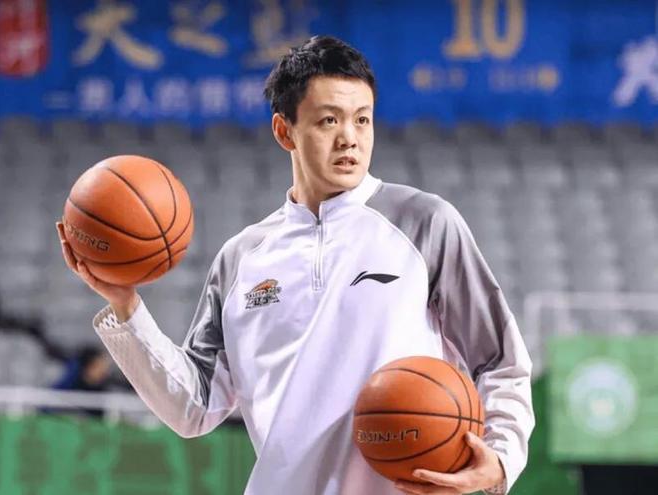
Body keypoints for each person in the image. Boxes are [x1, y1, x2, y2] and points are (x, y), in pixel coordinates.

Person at [56, 35, 534, 495]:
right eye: (329, 121)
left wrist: (499, 458)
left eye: (362, 120)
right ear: (285, 131)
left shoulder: (425, 223)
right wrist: (124, 303)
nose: (349, 138)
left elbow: (500, 361)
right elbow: (194, 407)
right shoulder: (241, 258)